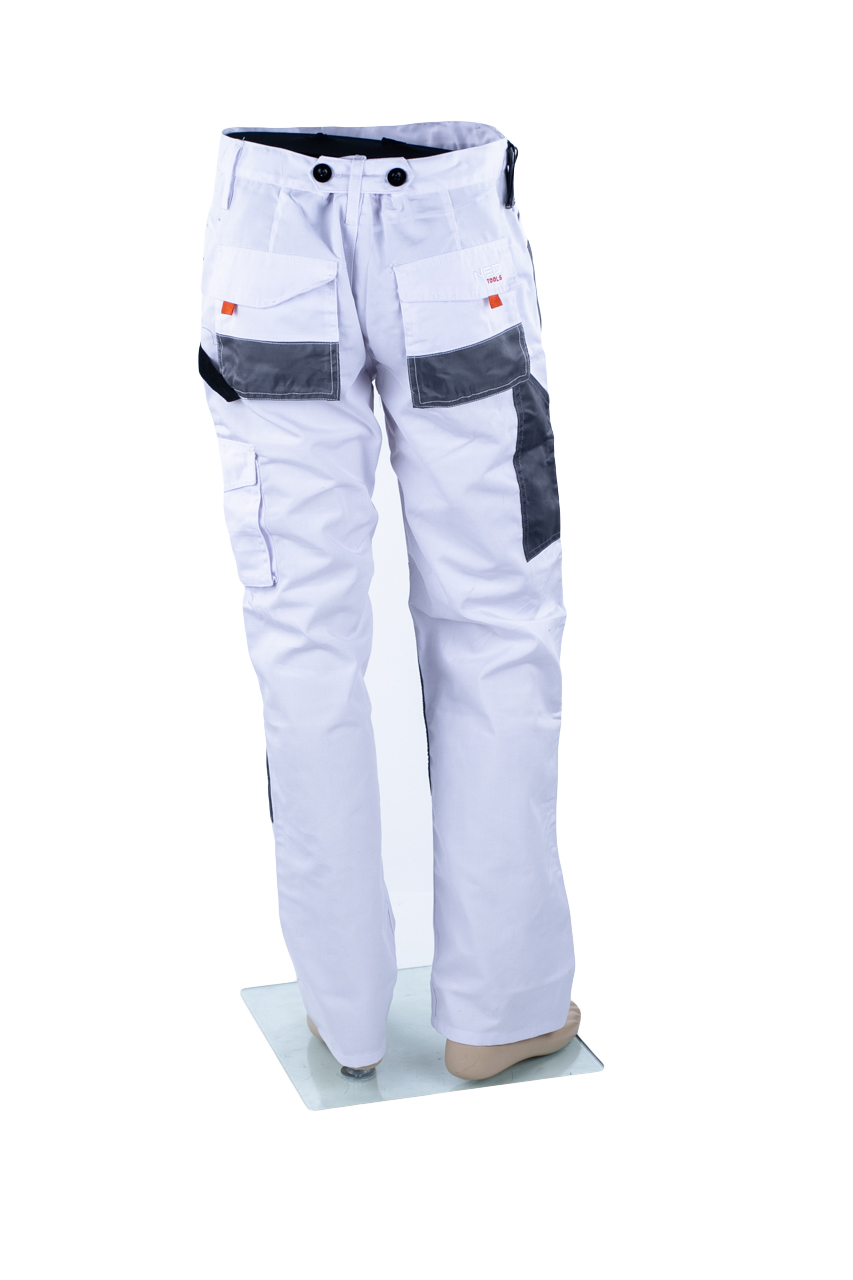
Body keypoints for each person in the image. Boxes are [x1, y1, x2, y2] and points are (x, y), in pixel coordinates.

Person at [199, 122, 578, 1082]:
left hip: (273, 233)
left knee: (303, 640)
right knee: (496, 628)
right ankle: (501, 1011)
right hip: (448, 230)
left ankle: (344, 1014)